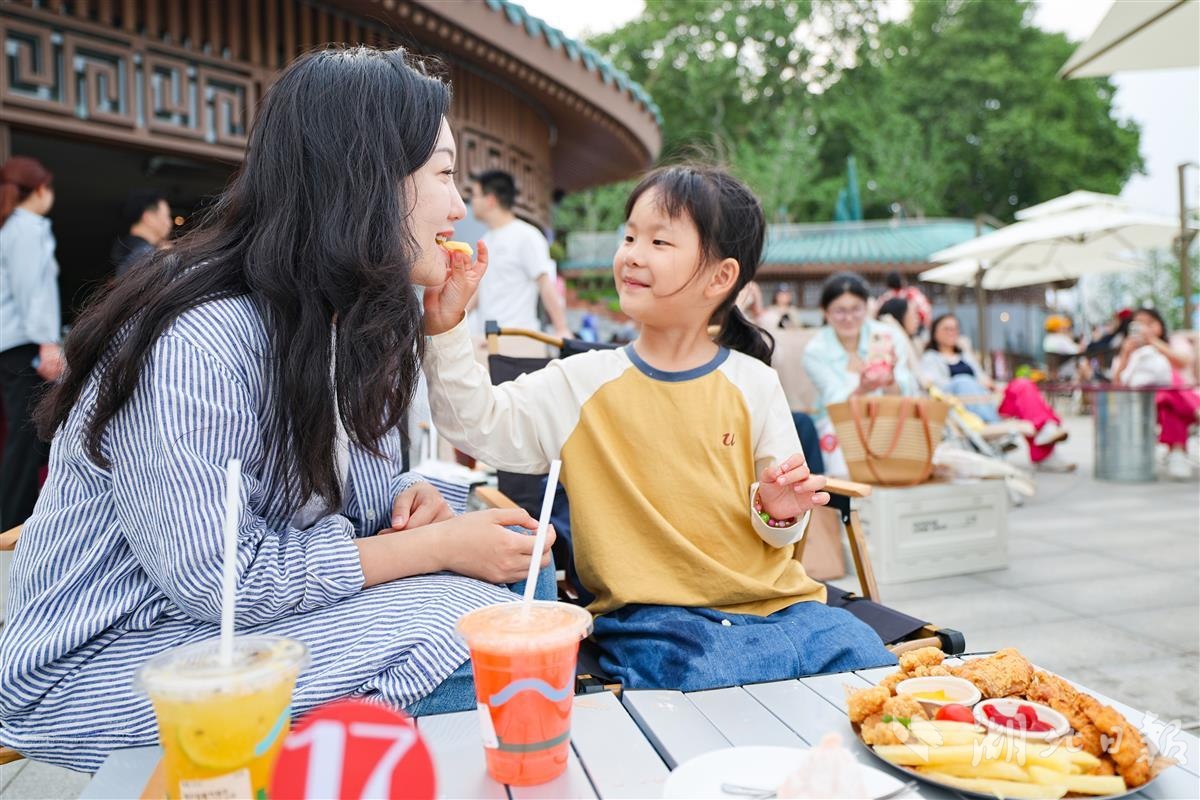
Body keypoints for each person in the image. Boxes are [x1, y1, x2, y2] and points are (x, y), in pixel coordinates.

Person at [0, 47, 558, 772]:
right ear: (362, 177)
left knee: (517, 573)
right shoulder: (196, 339)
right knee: (480, 622)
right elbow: (217, 580)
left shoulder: (345, 320)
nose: (458, 208)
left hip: (228, 627)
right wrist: (434, 550)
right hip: (107, 659)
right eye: (443, 173)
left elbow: (345, 501)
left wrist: (407, 501)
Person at [422, 164, 896, 690]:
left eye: (659, 241)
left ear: (720, 277)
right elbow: (474, 423)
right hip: (655, 621)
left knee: (867, 658)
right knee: (709, 678)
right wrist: (447, 326)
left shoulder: (755, 383)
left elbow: (777, 532)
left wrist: (778, 511)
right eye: (629, 237)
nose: (632, 254)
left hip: (783, 605)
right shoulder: (581, 382)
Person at [921, 314, 1074, 472]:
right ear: (935, 333)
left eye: (955, 328)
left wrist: (993, 386)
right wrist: (967, 383)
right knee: (963, 380)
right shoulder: (931, 358)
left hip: (988, 402)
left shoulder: (965, 356)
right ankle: (1045, 454)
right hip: (967, 410)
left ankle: (1046, 430)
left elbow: (984, 379)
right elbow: (937, 390)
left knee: (1022, 385)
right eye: (946, 329)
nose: (952, 332)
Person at [802, 273, 919, 477]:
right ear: (825, 311)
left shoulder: (888, 336)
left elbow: (906, 390)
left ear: (867, 307)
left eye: (856, 309)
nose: (849, 318)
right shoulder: (815, 351)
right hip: (840, 427)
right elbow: (834, 403)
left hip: (888, 421)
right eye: (840, 311)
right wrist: (862, 389)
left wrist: (889, 381)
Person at [0, 156, 63, 530]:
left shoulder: (10, 228)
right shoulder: (26, 227)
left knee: (29, 439)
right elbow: (31, 291)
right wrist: (47, 343)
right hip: (27, 345)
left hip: (13, 346)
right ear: (40, 189)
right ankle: (12, 527)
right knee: (28, 441)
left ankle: (16, 523)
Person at [466, 169, 571, 338]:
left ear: (490, 200)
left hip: (518, 337)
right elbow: (478, 291)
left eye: (475, 195)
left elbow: (545, 283)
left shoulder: (527, 236)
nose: (471, 202)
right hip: (487, 338)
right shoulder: (486, 240)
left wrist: (562, 329)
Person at [1112, 307, 1198, 480]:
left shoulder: (1174, 341)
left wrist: (1154, 342)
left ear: (1160, 324)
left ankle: (1177, 453)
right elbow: (1116, 384)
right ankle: (1178, 450)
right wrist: (1125, 354)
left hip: (1169, 401)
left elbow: (1183, 361)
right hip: (1143, 403)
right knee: (1167, 390)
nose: (1145, 328)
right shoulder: (1127, 348)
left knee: (1168, 395)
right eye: (1139, 324)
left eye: (1150, 323)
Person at [109, 189, 174, 277]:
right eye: (166, 216)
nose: (169, 223)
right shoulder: (147, 255)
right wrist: (169, 258)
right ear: (149, 217)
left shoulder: (122, 248)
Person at [876, 296, 923, 381]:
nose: (918, 319)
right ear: (899, 316)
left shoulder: (916, 342)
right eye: (914, 314)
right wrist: (899, 331)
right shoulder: (887, 343)